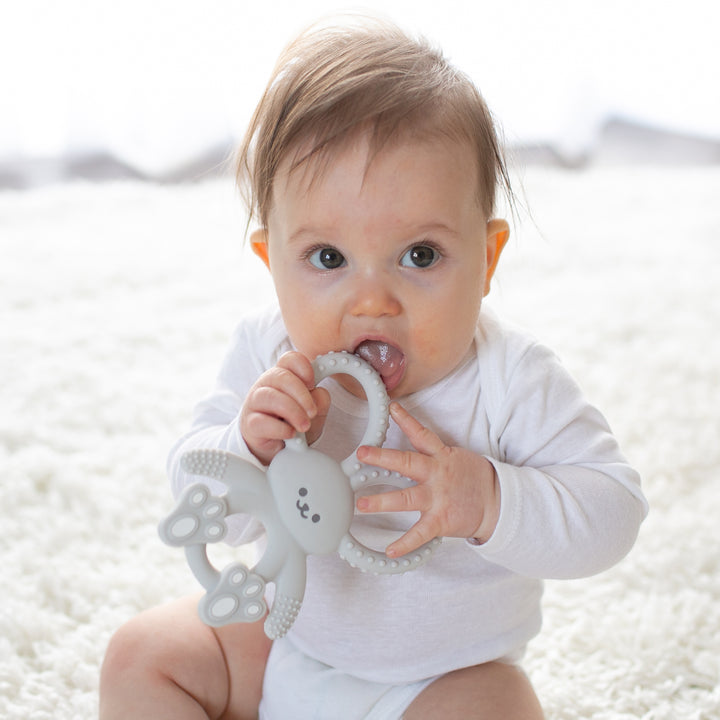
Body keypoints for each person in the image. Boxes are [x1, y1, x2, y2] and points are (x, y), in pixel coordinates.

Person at [99, 17, 648, 719]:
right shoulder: (270, 357)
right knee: (140, 656)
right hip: (278, 640)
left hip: (440, 681)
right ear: (273, 265)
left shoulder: (512, 379)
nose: (372, 301)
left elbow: (614, 513)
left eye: (420, 255)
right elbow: (192, 499)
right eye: (327, 259)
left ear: (488, 260)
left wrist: (489, 501)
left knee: (502, 709)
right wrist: (245, 448)